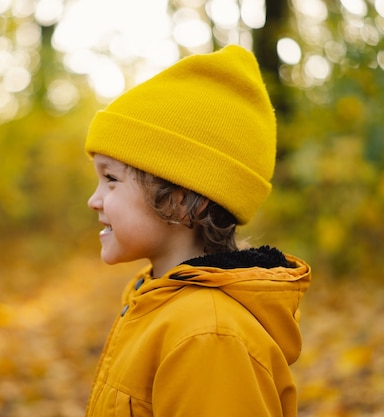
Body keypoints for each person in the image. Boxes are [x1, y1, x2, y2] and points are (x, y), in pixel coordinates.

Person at [84, 44, 311, 417]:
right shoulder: (156, 300)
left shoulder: (208, 336)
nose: (95, 200)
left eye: (111, 179)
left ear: (180, 199)